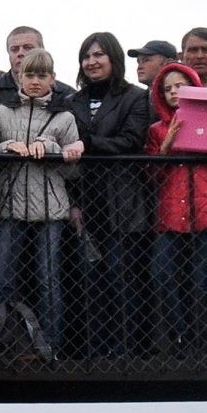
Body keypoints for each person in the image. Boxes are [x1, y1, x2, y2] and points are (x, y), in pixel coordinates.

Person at [0, 49, 83, 355]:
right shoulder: (0, 113)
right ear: (19, 78)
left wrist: (51, 148)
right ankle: (3, 343)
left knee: (49, 280)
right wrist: (6, 146)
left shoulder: (64, 117)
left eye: (42, 75)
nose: (35, 81)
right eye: (29, 75)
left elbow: (73, 170)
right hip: (10, 206)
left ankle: (52, 346)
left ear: (53, 78)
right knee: (0, 280)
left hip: (51, 210)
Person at [147, 61, 207, 350]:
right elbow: (152, 174)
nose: (174, 92)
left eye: (180, 85)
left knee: (202, 282)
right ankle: (182, 334)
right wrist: (168, 146)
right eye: (167, 89)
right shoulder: (157, 129)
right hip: (171, 213)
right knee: (162, 274)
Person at [68, 33, 154, 356]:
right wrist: (73, 202)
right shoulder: (72, 102)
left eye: (99, 55)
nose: (91, 62)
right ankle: (97, 349)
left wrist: (90, 145)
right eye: (86, 56)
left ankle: (128, 350)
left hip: (124, 202)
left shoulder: (134, 97)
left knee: (124, 279)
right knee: (91, 282)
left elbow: (132, 140)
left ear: (113, 59)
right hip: (87, 201)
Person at [0, 26, 75, 106]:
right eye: (14, 49)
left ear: (42, 50)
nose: (20, 53)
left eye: (28, 48)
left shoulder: (67, 96)